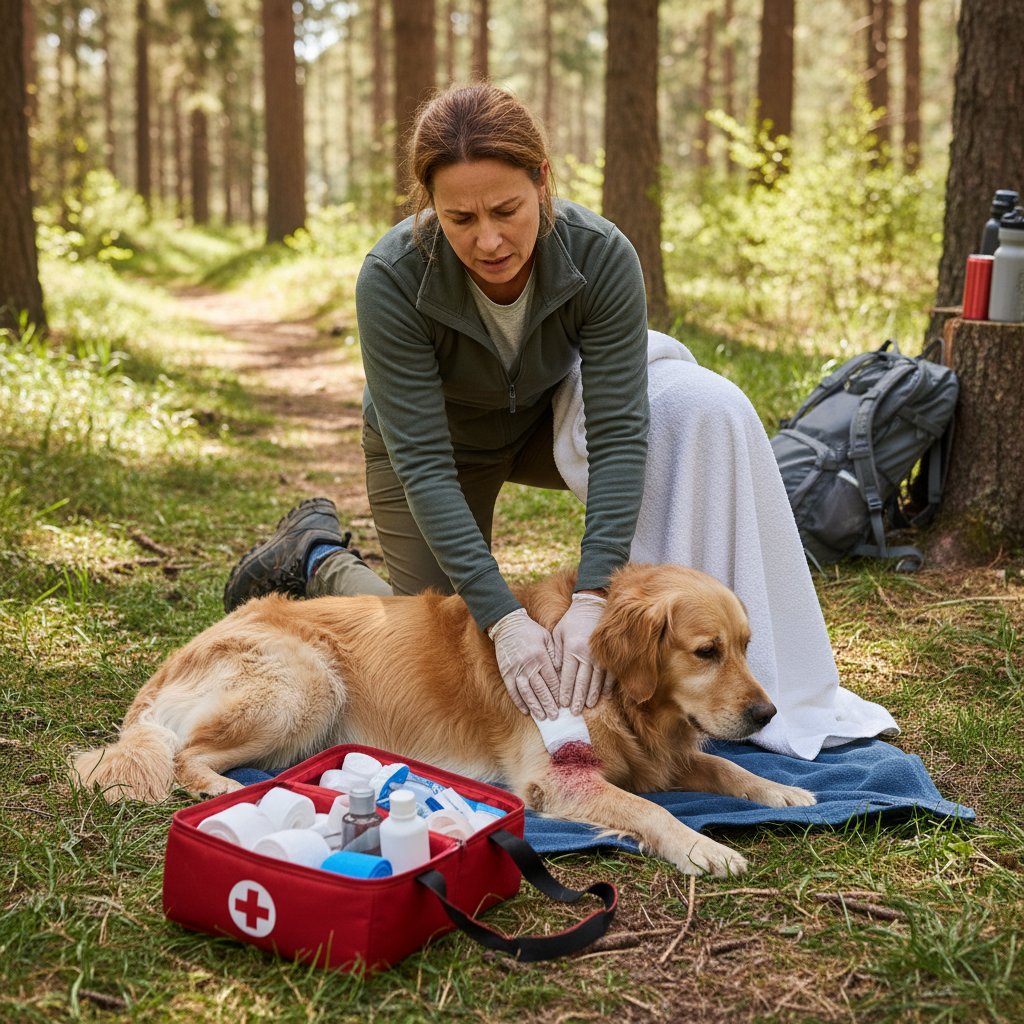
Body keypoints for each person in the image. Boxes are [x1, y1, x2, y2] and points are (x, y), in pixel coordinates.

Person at [224, 83, 899, 758]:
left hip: (543, 431)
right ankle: (317, 558)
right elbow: (424, 466)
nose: (488, 239)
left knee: (664, 435)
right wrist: (503, 620)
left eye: (507, 210)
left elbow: (619, 436)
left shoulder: (599, 254)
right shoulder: (392, 276)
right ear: (428, 204)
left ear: (542, 180)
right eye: (459, 218)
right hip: (439, 450)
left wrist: (594, 596)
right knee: (432, 632)